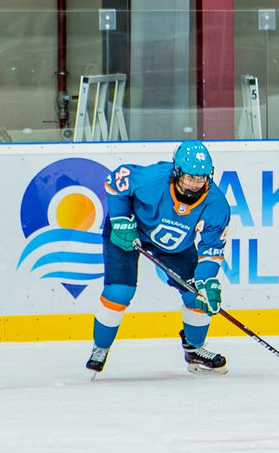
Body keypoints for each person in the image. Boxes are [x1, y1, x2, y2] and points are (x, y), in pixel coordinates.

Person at [87, 139, 232, 375]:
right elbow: (115, 182)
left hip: (175, 246)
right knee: (119, 293)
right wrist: (121, 218)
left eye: (202, 177)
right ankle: (100, 348)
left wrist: (207, 282)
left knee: (197, 296)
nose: (196, 183)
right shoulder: (152, 179)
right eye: (190, 177)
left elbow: (211, 249)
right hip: (131, 231)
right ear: (177, 171)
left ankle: (195, 349)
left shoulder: (217, 205)